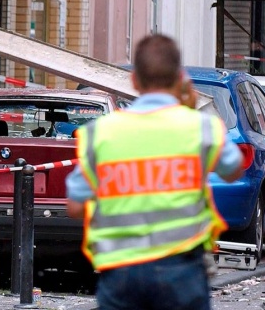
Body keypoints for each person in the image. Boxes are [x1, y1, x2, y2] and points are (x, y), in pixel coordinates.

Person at [66, 34, 243, 310]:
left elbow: (75, 206)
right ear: (180, 79)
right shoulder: (200, 127)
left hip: (121, 272)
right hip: (182, 270)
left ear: (134, 81)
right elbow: (233, 170)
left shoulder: (100, 133)